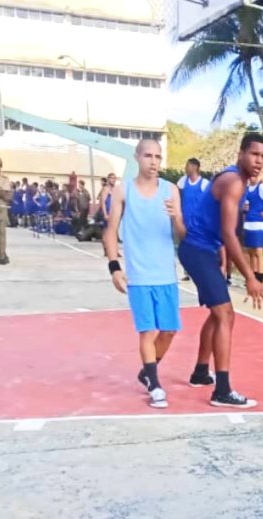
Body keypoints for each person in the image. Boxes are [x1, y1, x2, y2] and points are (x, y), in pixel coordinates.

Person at [178, 132, 263, 407]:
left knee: (219, 314)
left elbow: (225, 232)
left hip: (204, 250)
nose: (259, 161)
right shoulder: (234, 182)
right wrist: (250, 277)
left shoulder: (237, 181)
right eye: (254, 154)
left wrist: (224, 260)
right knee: (226, 314)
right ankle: (222, 390)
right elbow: (229, 233)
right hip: (197, 249)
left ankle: (201, 373)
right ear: (240, 154)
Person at [103, 139, 186, 409]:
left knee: (169, 331)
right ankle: (154, 382)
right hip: (138, 275)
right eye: (148, 155)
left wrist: (176, 218)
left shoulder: (171, 190)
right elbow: (111, 230)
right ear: (137, 157)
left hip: (166, 273)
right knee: (147, 331)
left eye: (158, 157)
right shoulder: (122, 190)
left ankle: (146, 371)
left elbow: (182, 235)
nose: (154, 161)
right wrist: (115, 267)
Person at [177, 158, 210, 281]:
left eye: (188, 165)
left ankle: (200, 269)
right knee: (185, 245)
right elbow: (176, 194)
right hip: (185, 219)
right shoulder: (182, 181)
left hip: (198, 221)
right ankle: (187, 271)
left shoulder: (204, 183)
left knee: (198, 245)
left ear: (195, 167)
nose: (186, 168)